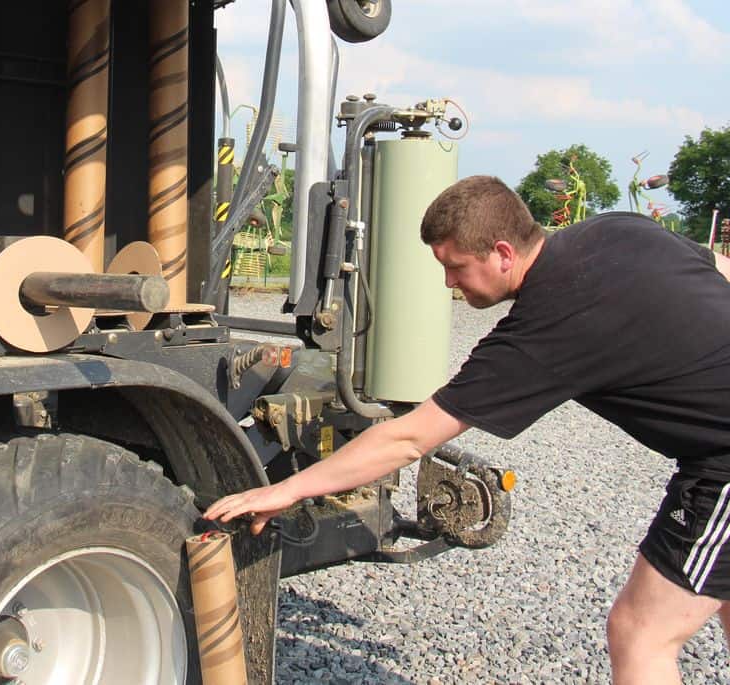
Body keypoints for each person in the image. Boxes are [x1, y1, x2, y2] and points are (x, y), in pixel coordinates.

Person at [204, 175, 730, 684]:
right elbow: (719, 268)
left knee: (639, 634)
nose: (448, 283)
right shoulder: (617, 229)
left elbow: (408, 438)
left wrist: (288, 489)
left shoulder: (543, 330)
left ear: (503, 251)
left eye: (456, 267)